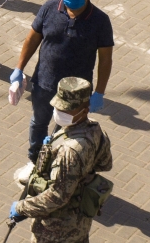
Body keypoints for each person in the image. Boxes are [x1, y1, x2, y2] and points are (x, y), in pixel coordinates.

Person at [10, 0, 114, 179]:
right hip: (44, 82)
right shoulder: (50, 8)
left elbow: (105, 59)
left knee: (65, 131)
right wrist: (19, 69)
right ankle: (35, 161)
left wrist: (99, 92)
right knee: (38, 123)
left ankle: (56, 166)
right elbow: (32, 39)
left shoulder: (101, 21)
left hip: (75, 94)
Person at [9, 77, 113, 243]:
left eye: (67, 110)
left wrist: (22, 208)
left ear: (85, 110)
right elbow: (105, 164)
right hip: (80, 220)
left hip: (56, 230)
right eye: (59, 107)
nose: (60, 112)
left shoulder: (69, 151)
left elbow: (56, 197)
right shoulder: (94, 129)